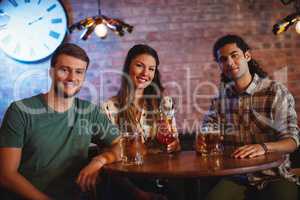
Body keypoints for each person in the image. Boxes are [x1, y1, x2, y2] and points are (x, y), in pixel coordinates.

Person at [0, 43, 120, 200]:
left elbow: (124, 145)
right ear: (51, 72)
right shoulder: (20, 111)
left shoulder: (89, 111)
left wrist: (100, 160)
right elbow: (6, 175)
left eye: (79, 72)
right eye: (65, 70)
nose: (72, 78)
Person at [201, 34, 299, 200]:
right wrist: (206, 137)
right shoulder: (220, 100)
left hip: (275, 175)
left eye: (234, 55)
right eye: (223, 59)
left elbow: (292, 142)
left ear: (247, 56)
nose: (229, 63)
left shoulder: (275, 92)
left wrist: (263, 147)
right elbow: (206, 134)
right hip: (237, 177)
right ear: (219, 64)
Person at [101, 44, 182, 200]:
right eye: (140, 66)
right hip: (126, 187)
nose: (146, 73)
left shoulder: (164, 103)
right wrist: (138, 194)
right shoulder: (109, 108)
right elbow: (108, 163)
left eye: (151, 69)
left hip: (161, 180)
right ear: (128, 68)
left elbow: (176, 146)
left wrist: (173, 145)